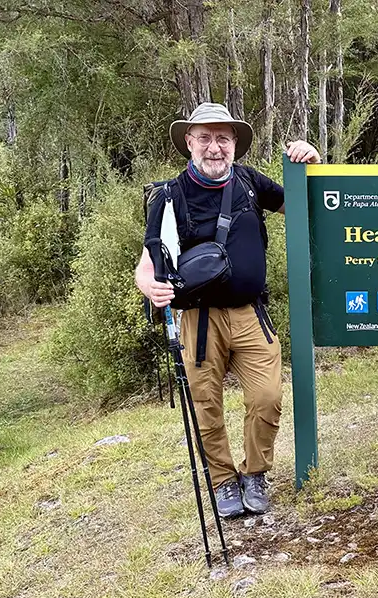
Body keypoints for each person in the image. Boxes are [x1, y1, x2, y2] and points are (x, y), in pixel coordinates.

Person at [135, 102, 321, 518]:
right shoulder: (169, 196)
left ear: (235, 143)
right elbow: (147, 263)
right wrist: (149, 286)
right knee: (206, 404)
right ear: (189, 142)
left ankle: (254, 474)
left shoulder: (250, 182)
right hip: (198, 321)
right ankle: (222, 482)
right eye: (205, 138)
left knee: (267, 397)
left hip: (250, 314)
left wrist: (310, 165)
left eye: (223, 138)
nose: (214, 147)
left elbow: (302, 205)